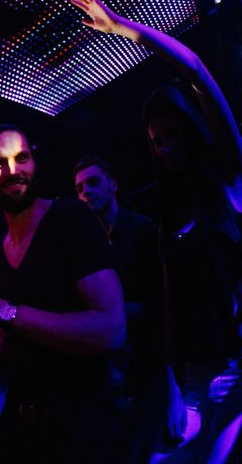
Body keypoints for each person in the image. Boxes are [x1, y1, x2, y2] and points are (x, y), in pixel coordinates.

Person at [69, 0, 242, 463]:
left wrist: (121, 27)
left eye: (172, 135)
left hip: (235, 368)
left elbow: (196, 69)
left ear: (191, 129)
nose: (165, 148)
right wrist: (171, 382)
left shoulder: (228, 177)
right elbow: (169, 305)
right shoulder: (168, 210)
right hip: (190, 374)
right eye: (156, 141)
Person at [0, 124, 126, 464]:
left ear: (34, 162)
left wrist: (4, 310)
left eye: (21, 158)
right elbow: (12, 338)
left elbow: (111, 328)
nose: (13, 170)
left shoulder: (69, 218)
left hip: (80, 424)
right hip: (21, 419)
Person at [74, 154, 166, 462]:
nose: (86, 192)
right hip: (109, 369)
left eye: (93, 182)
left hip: (145, 362)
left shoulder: (142, 230)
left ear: (113, 185)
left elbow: (162, 300)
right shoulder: (87, 244)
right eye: (79, 188)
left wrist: (120, 313)